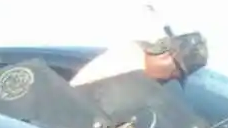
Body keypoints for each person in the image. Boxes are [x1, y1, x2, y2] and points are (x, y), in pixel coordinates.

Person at [71, 30, 209, 87]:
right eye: (175, 74)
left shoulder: (134, 59)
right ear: (168, 55)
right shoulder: (127, 68)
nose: (169, 80)